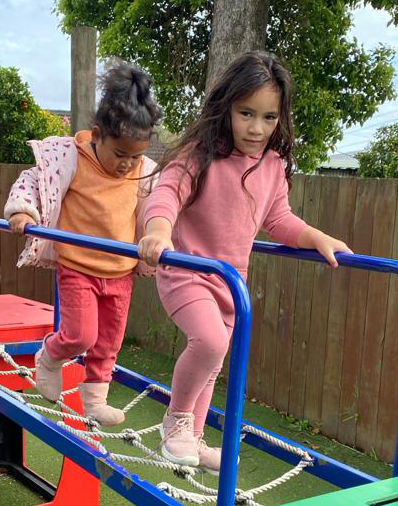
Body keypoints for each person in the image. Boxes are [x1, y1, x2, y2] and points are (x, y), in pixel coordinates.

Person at [137, 51, 352, 474]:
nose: (256, 128)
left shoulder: (272, 165)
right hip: (187, 273)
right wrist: (159, 231)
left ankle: (193, 438)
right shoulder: (200, 155)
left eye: (269, 117)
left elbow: (279, 219)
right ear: (226, 108)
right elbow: (166, 194)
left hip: (230, 282)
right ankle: (175, 422)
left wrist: (316, 237)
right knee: (211, 344)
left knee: (214, 363)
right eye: (246, 113)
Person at [4, 61, 162, 427]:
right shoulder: (73, 157)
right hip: (78, 267)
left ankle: (94, 400)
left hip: (120, 272)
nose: (127, 164)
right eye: (120, 154)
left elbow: (159, 207)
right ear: (96, 136)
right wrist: (22, 211)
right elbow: (33, 179)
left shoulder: (145, 172)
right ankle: (49, 356)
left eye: (135, 156)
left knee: (108, 343)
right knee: (80, 334)